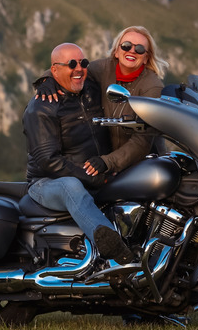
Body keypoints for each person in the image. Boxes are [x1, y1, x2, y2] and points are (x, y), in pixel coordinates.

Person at [23, 43, 134, 264]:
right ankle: (115, 253)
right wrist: (90, 177)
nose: (79, 69)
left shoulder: (92, 89)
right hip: (48, 182)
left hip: (96, 174)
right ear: (54, 71)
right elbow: (48, 161)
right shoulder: (41, 107)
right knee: (70, 186)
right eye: (71, 64)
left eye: (83, 63)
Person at [34, 26, 169, 176]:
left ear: (146, 57)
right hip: (112, 168)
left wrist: (108, 162)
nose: (132, 51)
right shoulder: (104, 68)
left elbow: (142, 141)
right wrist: (47, 80)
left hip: (145, 165)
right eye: (126, 46)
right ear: (116, 51)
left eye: (139, 49)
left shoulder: (152, 87)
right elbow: (74, 70)